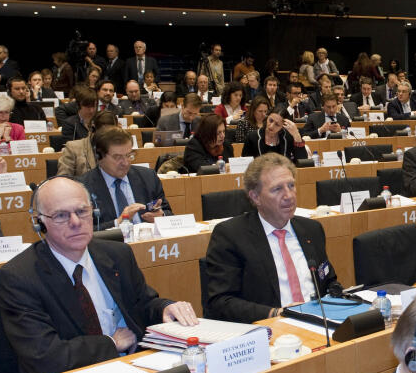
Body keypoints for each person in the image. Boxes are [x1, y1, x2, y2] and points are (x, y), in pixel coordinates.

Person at [0, 176, 196, 373]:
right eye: (61, 216)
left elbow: (142, 304)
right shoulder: (19, 277)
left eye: (82, 211)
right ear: (40, 223)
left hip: (133, 368)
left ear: (94, 212)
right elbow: (45, 356)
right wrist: (110, 344)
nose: (75, 222)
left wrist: (165, 308)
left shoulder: (117, 254)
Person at [203, 154, 340, 322]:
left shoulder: (312, 229)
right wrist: (275, 313)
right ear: (255, 197)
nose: (288, 195)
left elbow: (328, 281)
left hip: (319, 322)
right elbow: (220, 302)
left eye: (291, 185)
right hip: (270, 329)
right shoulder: (230, 236)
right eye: (277, 189)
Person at [80, 128, 171, 229]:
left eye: (129, 155)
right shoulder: (83, 187)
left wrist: (161, 217)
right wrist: (117, 223)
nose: (126, 162)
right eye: (118, 157)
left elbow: (168, 213)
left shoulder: (148, 177)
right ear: (99, 156)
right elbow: (81, 230)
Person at [58, 111, 118, 178]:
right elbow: (63, 179)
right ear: (93, 129)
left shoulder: (118, 148)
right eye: (103, 133)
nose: (106, 137)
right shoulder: (73, 148)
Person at [241, 108, 308, 163]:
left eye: (277, 124)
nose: (271, 126)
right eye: (270, 120)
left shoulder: (288, 137)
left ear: (283, 126)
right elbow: (245, 165)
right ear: (267, 118)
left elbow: (302, 161)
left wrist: (297, 136)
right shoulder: (253, 137)